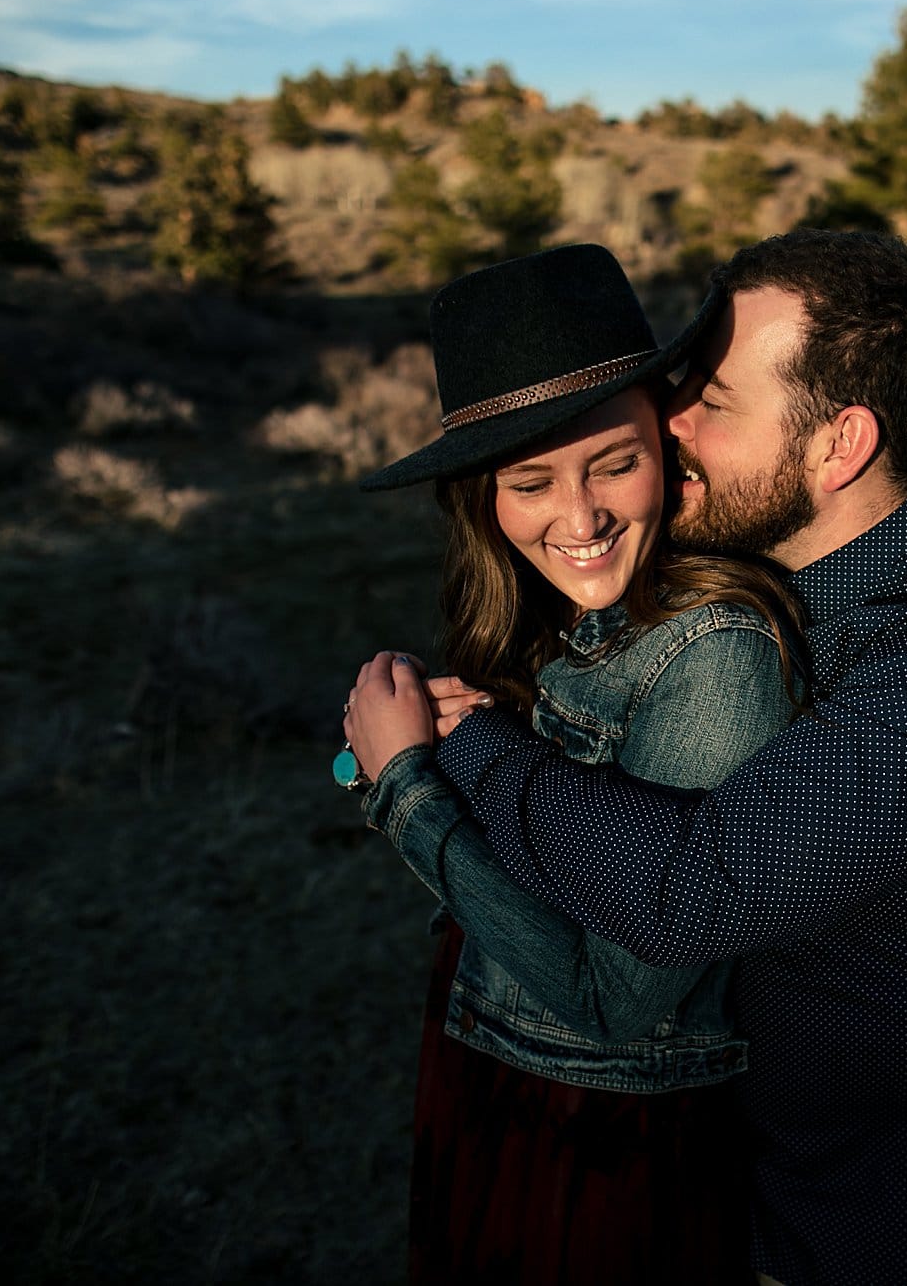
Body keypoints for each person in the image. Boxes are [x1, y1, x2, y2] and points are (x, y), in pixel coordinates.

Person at [418, 230, 907, 1286]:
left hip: (890, 1216)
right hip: (736, 1164)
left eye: (711, 402)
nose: (666, 419)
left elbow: (695, 894)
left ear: (839, 445)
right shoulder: (776, 561)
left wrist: (462, 748)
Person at [337, 243, 805, 1286]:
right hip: (497, 1076)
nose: (579, 517)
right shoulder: (554, 619)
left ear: (667, 446)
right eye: (530, 481)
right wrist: (412, 748)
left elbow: (618, 1004)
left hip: (604, 1145)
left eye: (613, 461)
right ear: (481, 498)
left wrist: (408, 793)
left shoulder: (714, 658)